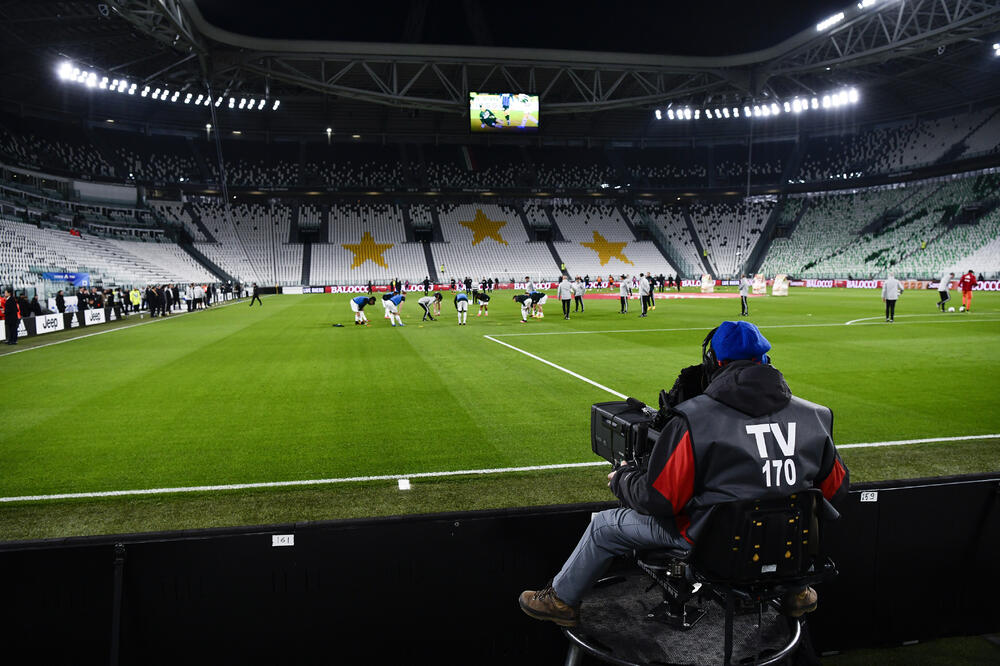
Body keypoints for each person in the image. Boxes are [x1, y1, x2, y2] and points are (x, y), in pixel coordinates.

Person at [518, 320, 850, 627]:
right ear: (765, 360)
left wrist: (622, 479)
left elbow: (660, 500)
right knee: (792, 513)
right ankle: (797, 591)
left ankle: (560, 601)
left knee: (604, 526)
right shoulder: (816, 415)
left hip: (713, 549)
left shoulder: (694, 419)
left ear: (715, 363)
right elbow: (835, 491)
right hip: (790, 549)